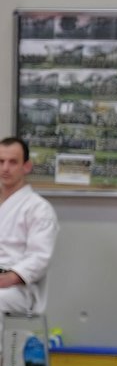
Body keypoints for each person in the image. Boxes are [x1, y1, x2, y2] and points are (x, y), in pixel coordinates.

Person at [0, 136, 58, 326]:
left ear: (26, 166)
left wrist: (7, 278)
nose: (5, 168)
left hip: (18, 289)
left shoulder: (39, 208)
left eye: (13, 162)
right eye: (1, 162)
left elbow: (39, 258)